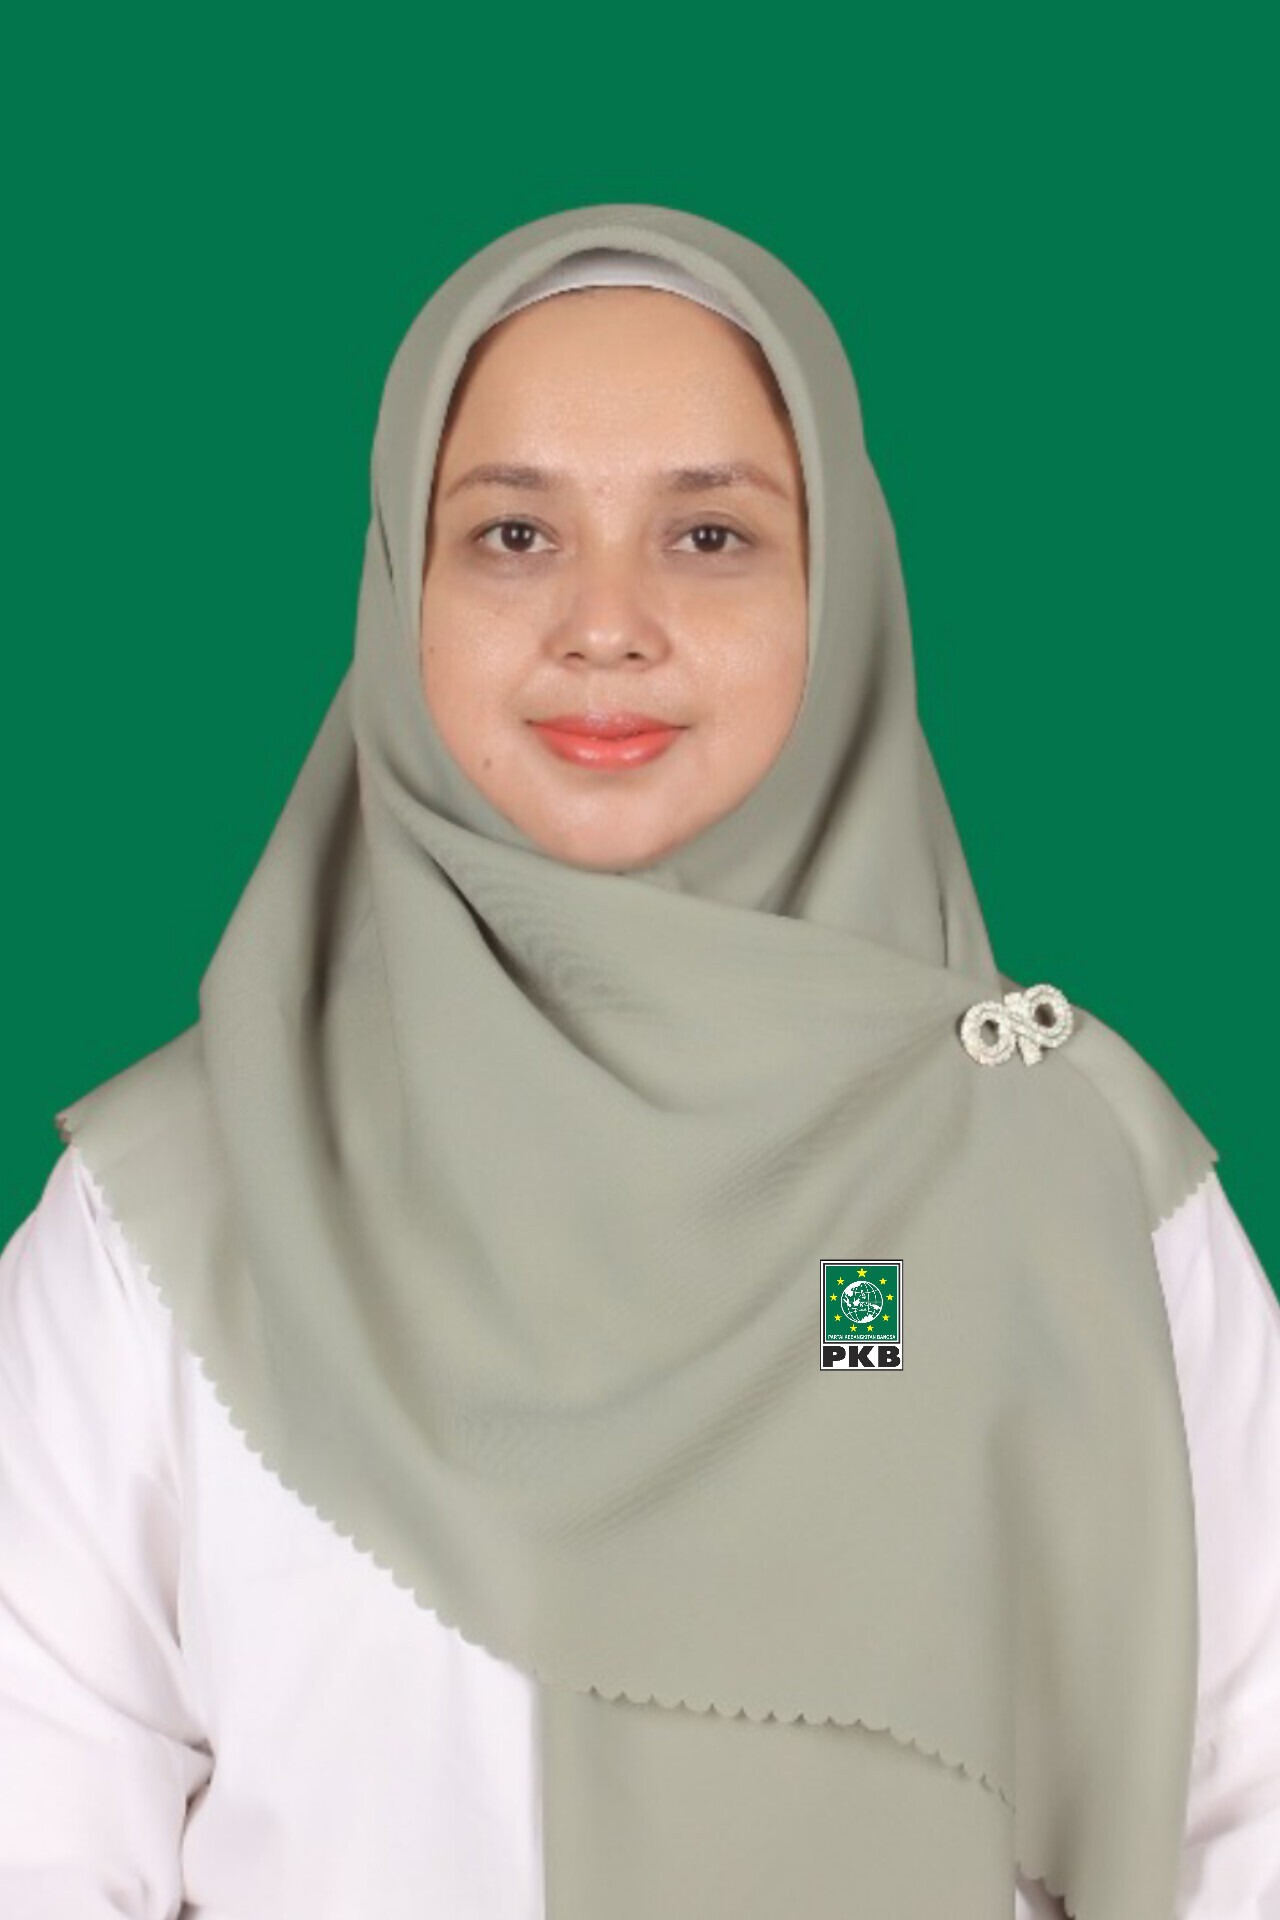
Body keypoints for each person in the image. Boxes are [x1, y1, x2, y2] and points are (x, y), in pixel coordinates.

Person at [0, 206, 1276, 1919]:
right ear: (402, 595)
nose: (606, 624)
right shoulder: (173, 1216)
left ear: (842, 593)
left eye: (711, 534)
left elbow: (1251, 1810)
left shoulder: (1064, 1173)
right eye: (514, 533)